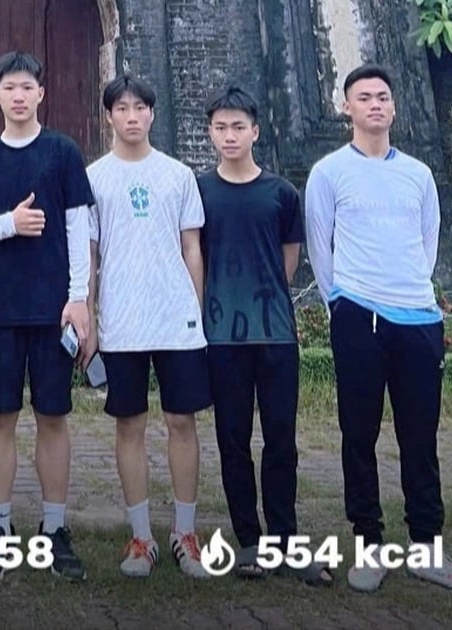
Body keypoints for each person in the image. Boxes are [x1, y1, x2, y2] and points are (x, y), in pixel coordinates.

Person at [305, 63, 452, 595]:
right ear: (347, 107)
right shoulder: (329, 172)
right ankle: (368, 544)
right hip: (359, 315)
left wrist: (410, 293)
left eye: (383, 97)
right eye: (364, 97)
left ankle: (428, 549)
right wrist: (342, 302)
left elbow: (427, 242)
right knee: (358, 435)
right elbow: (321, 246)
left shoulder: (418, 174)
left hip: (418, 319)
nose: (376, 105)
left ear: (394, 107)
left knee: (420, 437)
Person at [0, 51, 93, 584]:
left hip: (54, 306)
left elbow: (79, 226)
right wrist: (9, 224)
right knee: (0, 417)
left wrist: (79, 297)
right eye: (8, 87)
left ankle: (54, 527)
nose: (18, 95)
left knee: (54, 416)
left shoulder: (62, 152)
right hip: (3, 308)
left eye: (26, 87)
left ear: (41, 93)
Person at [197, 86, 331, 585]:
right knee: (232, 439)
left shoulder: (281, 193)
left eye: (238, 127)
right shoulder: (200, 191)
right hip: (221, 335)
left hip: (275, 332)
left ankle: (284, 539)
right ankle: (249, 541)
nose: (230, 136)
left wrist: (265, 298)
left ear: (255, 131)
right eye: (220, 127)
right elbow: (196, 256)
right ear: (210, 133)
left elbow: (288, 260)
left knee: (280, 439)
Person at [80, 75, 211, 579]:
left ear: (152, 115)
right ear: (109, 116)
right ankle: (141, 537)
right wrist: (88, 315)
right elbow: (89, 255)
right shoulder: (95, 178)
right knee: (129, 425)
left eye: (141, 108)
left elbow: (191, 248)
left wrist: (193, 311)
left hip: (175, 320)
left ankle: (185, 532)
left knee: (182, 422)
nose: (132, 116)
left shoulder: (178, 175)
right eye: (122, 108)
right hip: (122, 321)